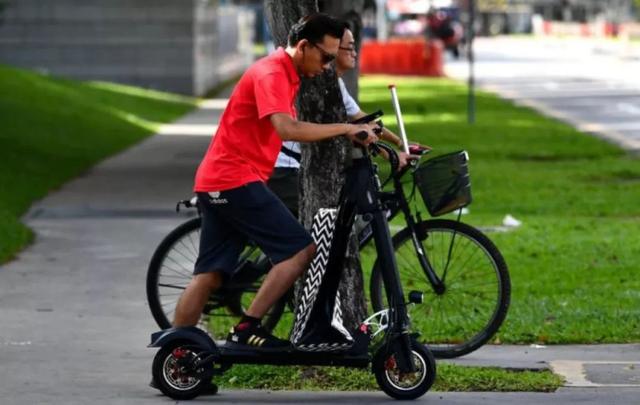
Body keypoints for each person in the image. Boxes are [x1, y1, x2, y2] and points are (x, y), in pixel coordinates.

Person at [173, 13, 378, 351]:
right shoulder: (271, 73)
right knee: (300, 251)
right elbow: (287, 129)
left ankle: (176, 353)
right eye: (325, 57)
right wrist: (343, 130)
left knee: (208, 275)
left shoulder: (288, 72)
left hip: (221, 180)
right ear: (302, 46)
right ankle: (246, 328)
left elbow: (339, 104)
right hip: (234, 180)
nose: (328, 65)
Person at [267, 25, 417, 218]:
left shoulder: (336, 84)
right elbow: (354, 128)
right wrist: (355, 132)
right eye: (350, 47)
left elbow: (363, 120)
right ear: (333, 50)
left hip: (299, 166)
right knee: (320, 219)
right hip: (284, 167)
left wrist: (398, 144)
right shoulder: (315, 84)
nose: (355, 53)